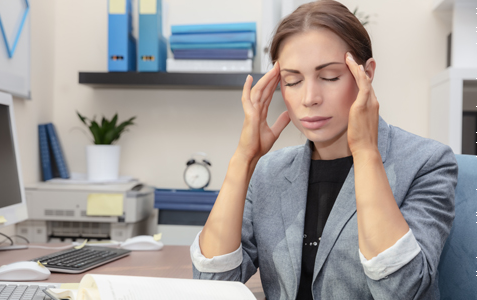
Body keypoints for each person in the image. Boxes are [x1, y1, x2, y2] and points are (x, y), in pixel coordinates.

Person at [190, 0, 458, 299]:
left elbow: (403, 289)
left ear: (366, 74)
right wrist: (244, 160)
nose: (310, 97)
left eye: (329, 77)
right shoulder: (270, 172)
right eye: (292, 81)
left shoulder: (427, 162)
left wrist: (366, 153)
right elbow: (212, 282)